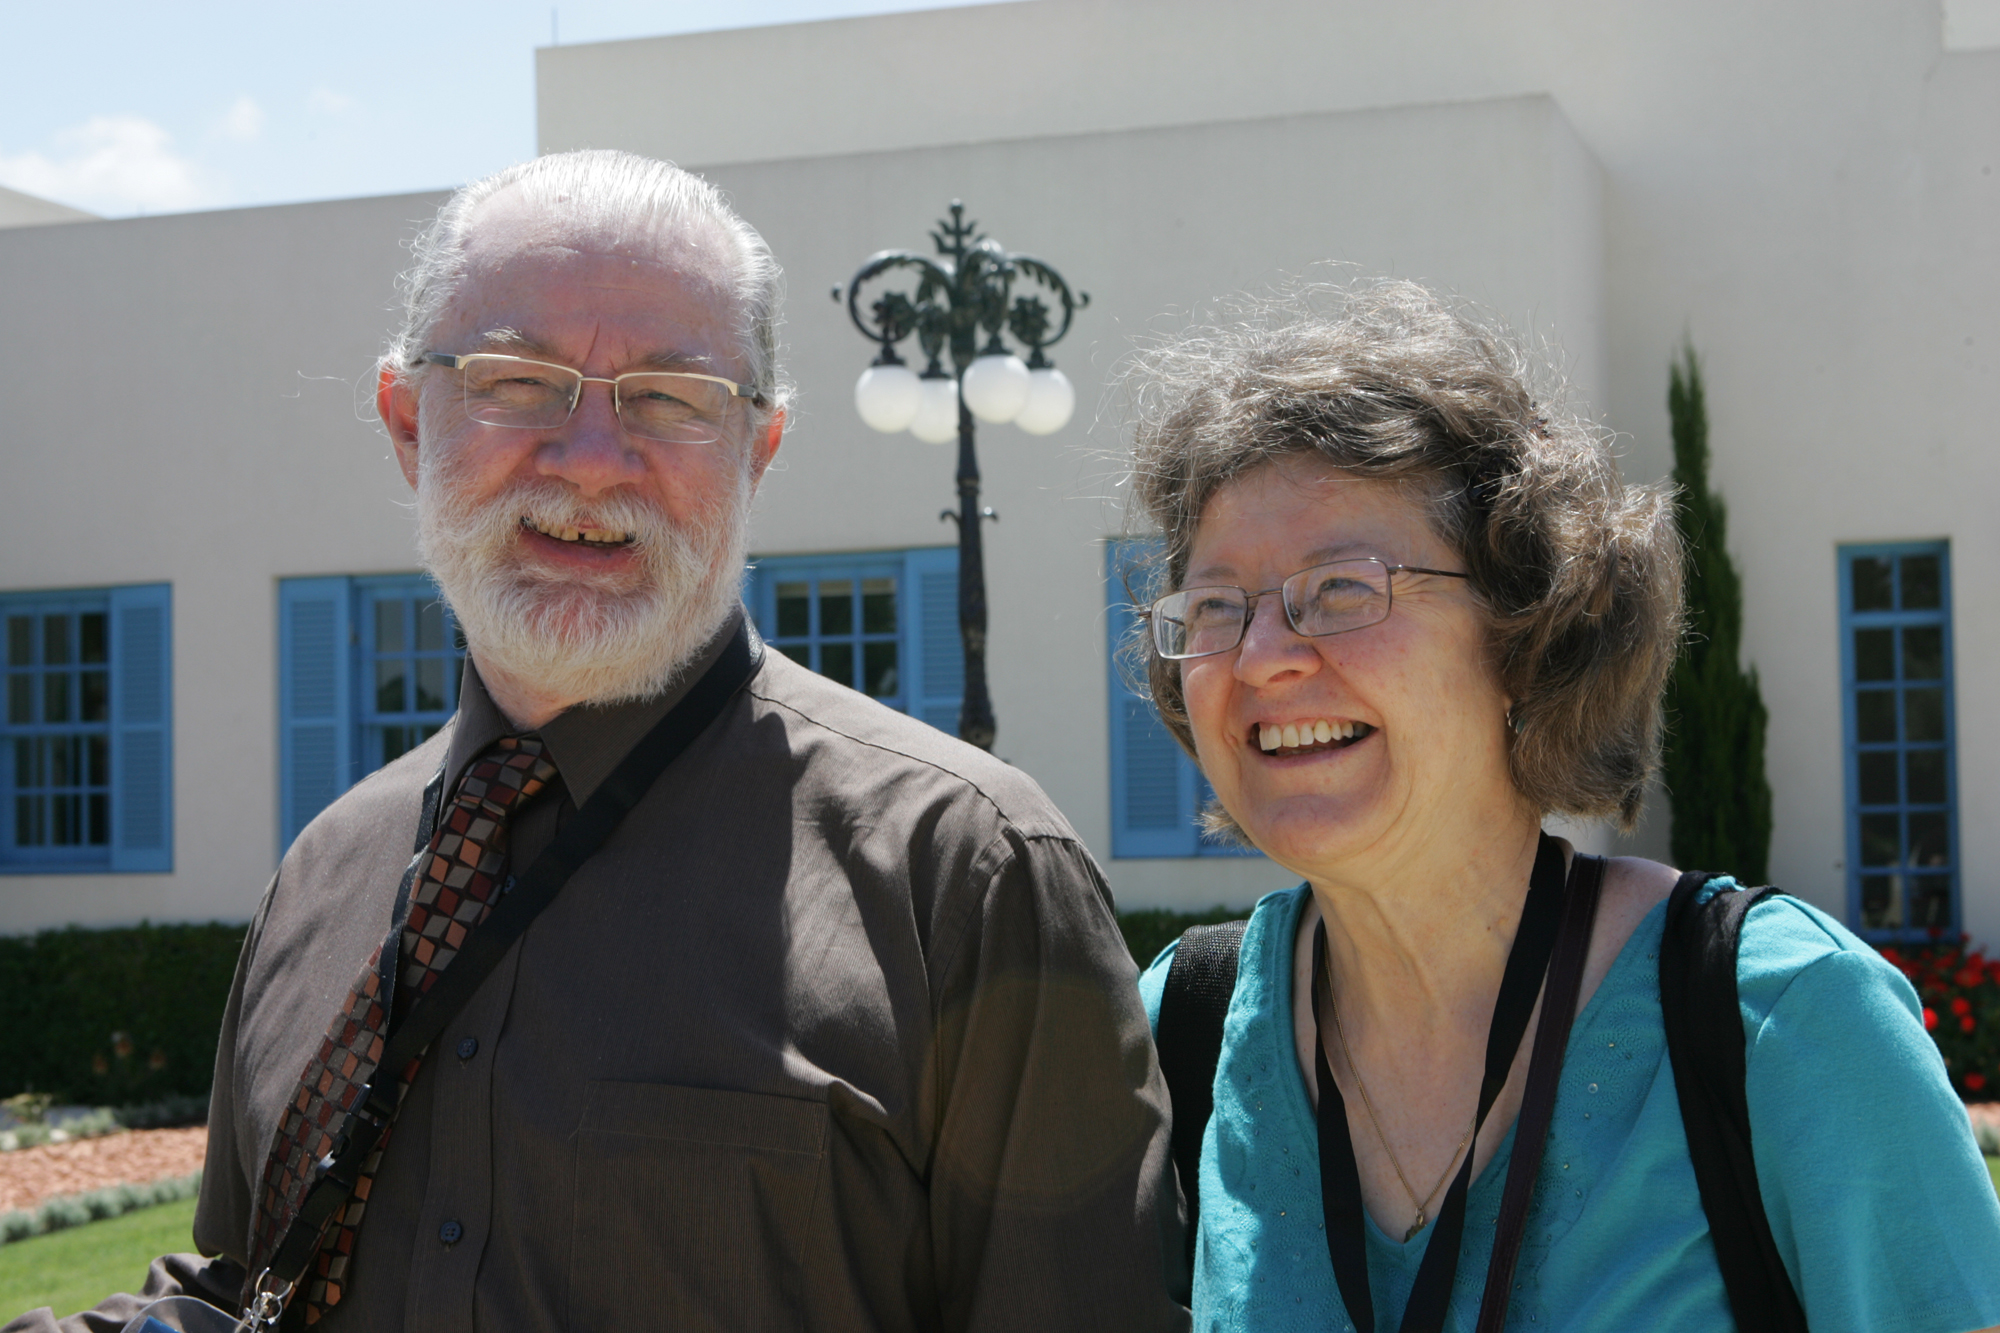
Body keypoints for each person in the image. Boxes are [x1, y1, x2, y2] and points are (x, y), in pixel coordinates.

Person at [8, 151, 1185, 1333]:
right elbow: (250, 1282)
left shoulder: (967, 877)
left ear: (757, 451)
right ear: (410, 425)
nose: (587, 458)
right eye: (519, 383)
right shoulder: (324, 875)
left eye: (669, 398)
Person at [1123, 281, 2000, 1331]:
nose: (1261, 657)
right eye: (1216, 607)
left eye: (1342, 588)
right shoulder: (1182, 1025)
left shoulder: (1781, 1018)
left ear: (1526, 632)